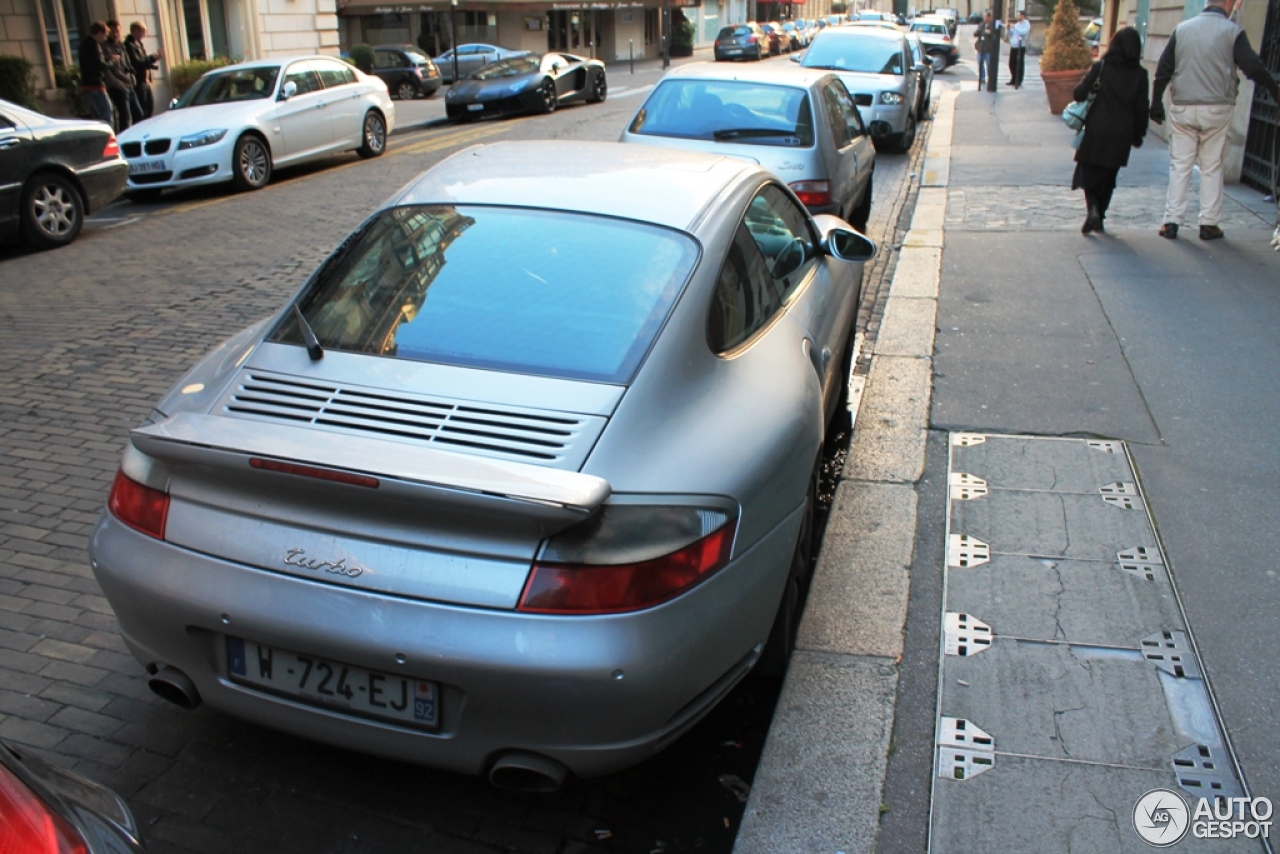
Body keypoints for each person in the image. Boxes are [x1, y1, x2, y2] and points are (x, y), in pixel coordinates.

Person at [1150, 0, 1280, 240]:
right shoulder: (1232, 32)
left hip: (1184, 106)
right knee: (1212, 165)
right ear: (1228, 3)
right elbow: (1253, 66)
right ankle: (1209, 223)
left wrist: (1156, 102)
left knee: (1180, 165)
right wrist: (1274, 90)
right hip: (1218, 107)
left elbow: (1164, 69)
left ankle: (1171, 221)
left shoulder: (1183, 29)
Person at [1070, 27, 1150, 234]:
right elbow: (1141, 108)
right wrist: (1138, 134)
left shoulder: (1101, 67)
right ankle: (1100, 215)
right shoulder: (1140, 75)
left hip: (1096, 128)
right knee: (1108, 175)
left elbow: (1078, 94)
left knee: (1088, 171)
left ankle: (1093, 208)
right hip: (1121, 133)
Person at [103, 20, 143, 130]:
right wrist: (118, 83)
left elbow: (127, 63)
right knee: (126, 116)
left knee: (138, 113)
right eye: (113, 32)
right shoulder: (105, 47)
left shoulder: (120, 45)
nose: (116, 34)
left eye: (117, 31)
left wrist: (131, 75)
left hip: (128, 82)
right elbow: (108, 70)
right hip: (117, 86)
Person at [77, 22, 115, 127]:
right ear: (98, 33)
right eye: (105, 35)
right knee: (107, 113)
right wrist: (112, 62)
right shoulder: (95, 45)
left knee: (96, 115)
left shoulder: (84, 44)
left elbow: (92, 62)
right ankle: (108, 137)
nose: (105, 38)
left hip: (87, 84)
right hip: (96, 84)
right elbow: (100, 64)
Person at [124, 22, 163, 120]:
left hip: (145, 81)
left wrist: (154, 59)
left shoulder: (139, 44)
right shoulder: (129, 45)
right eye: (143, 31)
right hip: (138, 81)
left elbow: (144, 60)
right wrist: (152, 58)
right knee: (142, 111)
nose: (144, 34)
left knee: (149, 107)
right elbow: (137, 62)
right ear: (136, 31)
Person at [974, 12, 1000, 89]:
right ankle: (982, 78)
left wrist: (990, 33)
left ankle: (990, 78)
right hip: (980, 47)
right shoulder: (981, 24)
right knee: (980, 63)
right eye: (984, 17)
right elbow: (976, 33)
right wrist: (981, 32)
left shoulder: (993, 24)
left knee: (989, 64)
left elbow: (995, 34)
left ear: (989, 17)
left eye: (985, 17)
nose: (984, 18)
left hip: (988, 48)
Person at [1008, 10, 1030, 89]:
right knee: (1011, 63)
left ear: (1023, 16)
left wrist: (1015, 27)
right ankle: (1013, 79)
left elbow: (1023, 33)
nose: (1017, 17)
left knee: (1019, 64)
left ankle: (1019, 80)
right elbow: (1012, 33)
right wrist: (1009, 29)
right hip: (1014, 45)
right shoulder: (1017, 24)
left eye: (1019, 15)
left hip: (1020, 46)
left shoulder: (1026, 24)